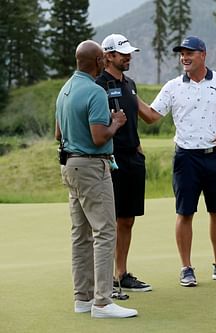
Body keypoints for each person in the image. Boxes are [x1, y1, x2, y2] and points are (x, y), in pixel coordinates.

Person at [138, 36, 216, 287]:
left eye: (189, 53)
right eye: (181, 54)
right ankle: (186, 268)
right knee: (184, 212)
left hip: (215, 155)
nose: (184, 58)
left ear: (203, 54)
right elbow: (152, 116)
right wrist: (129, 94)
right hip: (186, 157)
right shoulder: (173, 86)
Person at [55, 40, 138, 318]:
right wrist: (116, 123)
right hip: (92, 166)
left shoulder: (65, 90)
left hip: (69, 165)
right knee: (104, 232)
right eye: (102, 57)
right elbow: (99, 136)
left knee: (80, 234)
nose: (105, 61)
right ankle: (102, 301)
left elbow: (58, 134)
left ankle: (83, 298)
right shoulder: (94, 91)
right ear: (96, 62)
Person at [95, 33, 151, 293]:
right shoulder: (98, 85)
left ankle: (121, 273)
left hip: (132, 158)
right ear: (108, 56)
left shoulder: (130, 83)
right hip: (108, 159)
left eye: (129, 53)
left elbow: (147, 115)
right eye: (122, 53)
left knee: (127, 218)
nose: (128, 57)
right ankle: (104, 278)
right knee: (108, 221)